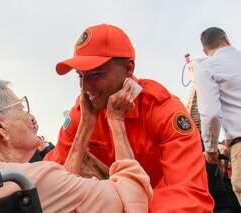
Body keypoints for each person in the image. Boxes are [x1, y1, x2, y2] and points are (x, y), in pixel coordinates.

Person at [44, 23, 214, 212]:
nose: (85, 87)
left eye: (96, 75)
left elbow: (188, 194)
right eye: (80, 76)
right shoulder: (82, 112)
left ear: (128, 68)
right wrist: (84, 128)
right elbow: (50, 181)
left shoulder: (163, 109)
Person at [0, 75, 152, 212]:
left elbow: (65, 193)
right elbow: (132, 200)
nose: (29, 116)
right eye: (20, 108)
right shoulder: (32, 181)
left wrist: (86, 123)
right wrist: (116, 120)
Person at [195, 27, 241, 204]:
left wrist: (211, 149)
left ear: (205, 51)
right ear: (227, 40)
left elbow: (211, 113)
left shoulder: (206, 67)